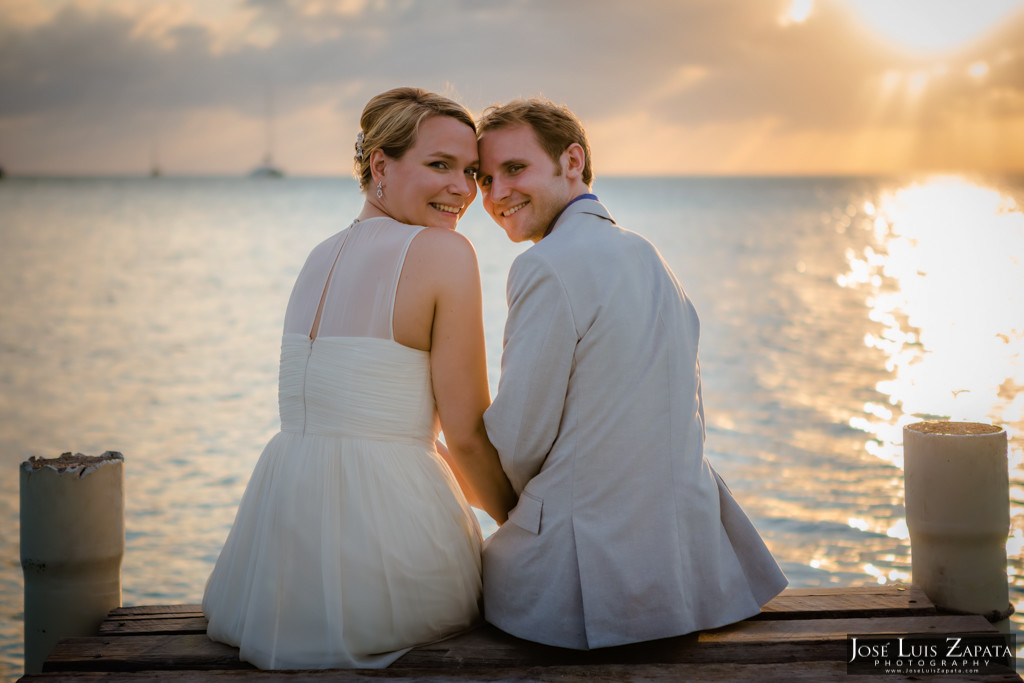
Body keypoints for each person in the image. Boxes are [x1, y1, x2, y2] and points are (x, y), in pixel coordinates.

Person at [203, 87, 516, 670]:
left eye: (471, 171)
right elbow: (467, 434)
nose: (464, 190)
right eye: (440, 165)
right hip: (388, 561)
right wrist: (519, 524)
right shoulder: (445, 254)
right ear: (380, 166)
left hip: (271, 575)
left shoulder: (318, 256)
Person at [475, 98, 788, 650]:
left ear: (572, 161)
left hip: (581, 583)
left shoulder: (544, 264)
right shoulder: (650, 257)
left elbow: (520, 441)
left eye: (515, 169)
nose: (496, 193)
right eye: (484, 178)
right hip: (686, 577)